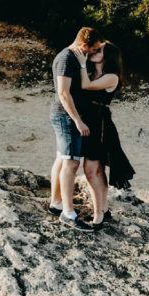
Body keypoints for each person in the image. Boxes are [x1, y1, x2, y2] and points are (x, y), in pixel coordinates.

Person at [49, 27, 105, 232]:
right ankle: (68, 213)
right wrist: (78, 121)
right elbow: (63, 94)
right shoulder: (66, 59)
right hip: (67, 117)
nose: (95, 53)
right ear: (84, 45)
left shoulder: (76, 58)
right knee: (71, 163)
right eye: (94, 49)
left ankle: (56, 204)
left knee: (62, 159)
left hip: (68, 117)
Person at [75, 41, 136, 227]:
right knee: (98, 170)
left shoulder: (111, 77)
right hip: (89, 122)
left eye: (99, 49)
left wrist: (82, 61)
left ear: (108, 55)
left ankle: (98, 215)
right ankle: (104, 209)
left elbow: (85, 85)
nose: (94, 50)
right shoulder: (94, 72)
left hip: (100, 126)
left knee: (91, 171)